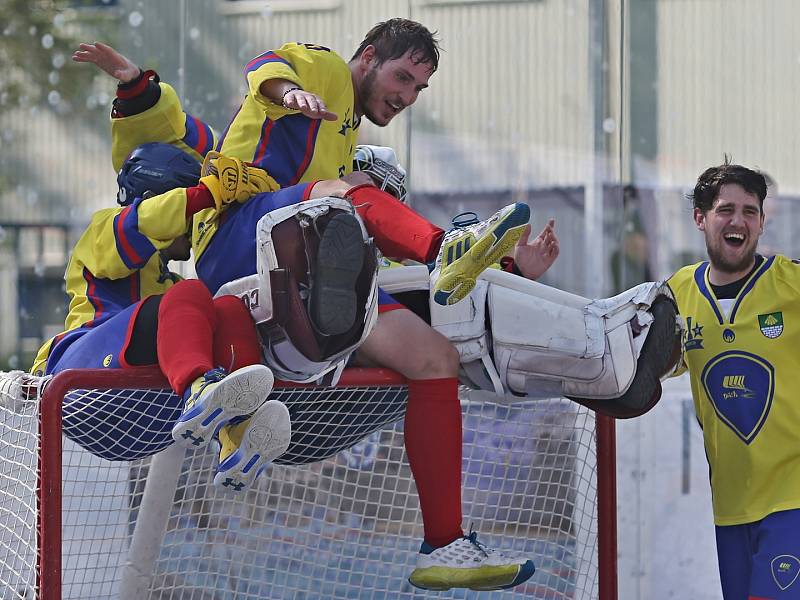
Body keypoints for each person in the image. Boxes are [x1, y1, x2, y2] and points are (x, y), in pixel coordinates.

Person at [74, 38, 539, 592]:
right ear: (367, 56)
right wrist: (287, 92)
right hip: (241, 241)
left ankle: (444, 543)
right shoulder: (323, 73)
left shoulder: (340, 144)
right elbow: (261, 69)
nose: (408, 96)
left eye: (419, 88)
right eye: (402, 78)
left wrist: (509, 267)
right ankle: (446, 249)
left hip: (298, 261)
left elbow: (185, 141)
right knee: (331, 202)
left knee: (432, 357)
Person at [29, 144, 293, 480]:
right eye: (190, 210)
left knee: (227, 307)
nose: (194, 224)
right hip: (76, 383)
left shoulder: (174, 291)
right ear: (155, 197)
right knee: (191, 295)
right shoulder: (103, 230)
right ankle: (199, 389)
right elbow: (141, 224)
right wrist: (207, 192)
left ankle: (236, 437)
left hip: (142, 419)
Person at [666, 160, 800, 600]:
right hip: (729, 507)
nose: (738, 220)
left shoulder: (792, 285)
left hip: (792, 502)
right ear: (700, 218)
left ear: (762, 223)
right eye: (726, 210)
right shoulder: (676, 295)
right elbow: (630, 364)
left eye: (750, 210)